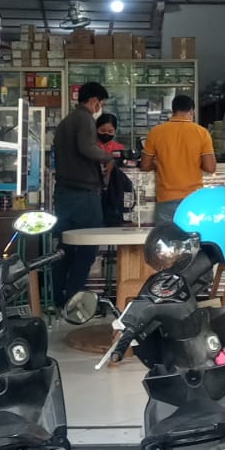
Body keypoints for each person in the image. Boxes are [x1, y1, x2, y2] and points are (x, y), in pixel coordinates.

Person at [52, 81, 111, 315]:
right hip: (84, 195)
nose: (100, 107)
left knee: (64, 248)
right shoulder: (85, 119)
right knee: (87, 249)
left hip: (64, 193)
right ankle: (74, 300)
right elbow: (87, 148)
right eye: (100, 102)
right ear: (94, 100)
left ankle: (58, 298)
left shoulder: (65, 122)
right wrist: (108, 157)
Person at [140, 93, 216, 223]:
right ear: (192, 111)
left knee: (165, 235)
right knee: (191, 235)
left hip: (166, 198)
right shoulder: (202, 133)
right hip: (193, 199)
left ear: (173, 110)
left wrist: (158, 163)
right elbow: (210, 168)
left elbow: (145, 166)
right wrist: (195, 161)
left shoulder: (156, 132)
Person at [97, 112, 134, 226]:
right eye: (102, 131)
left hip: (113, 191)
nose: (106, 134)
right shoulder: (91, 147)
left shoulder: (119, 148)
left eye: (110, 132)